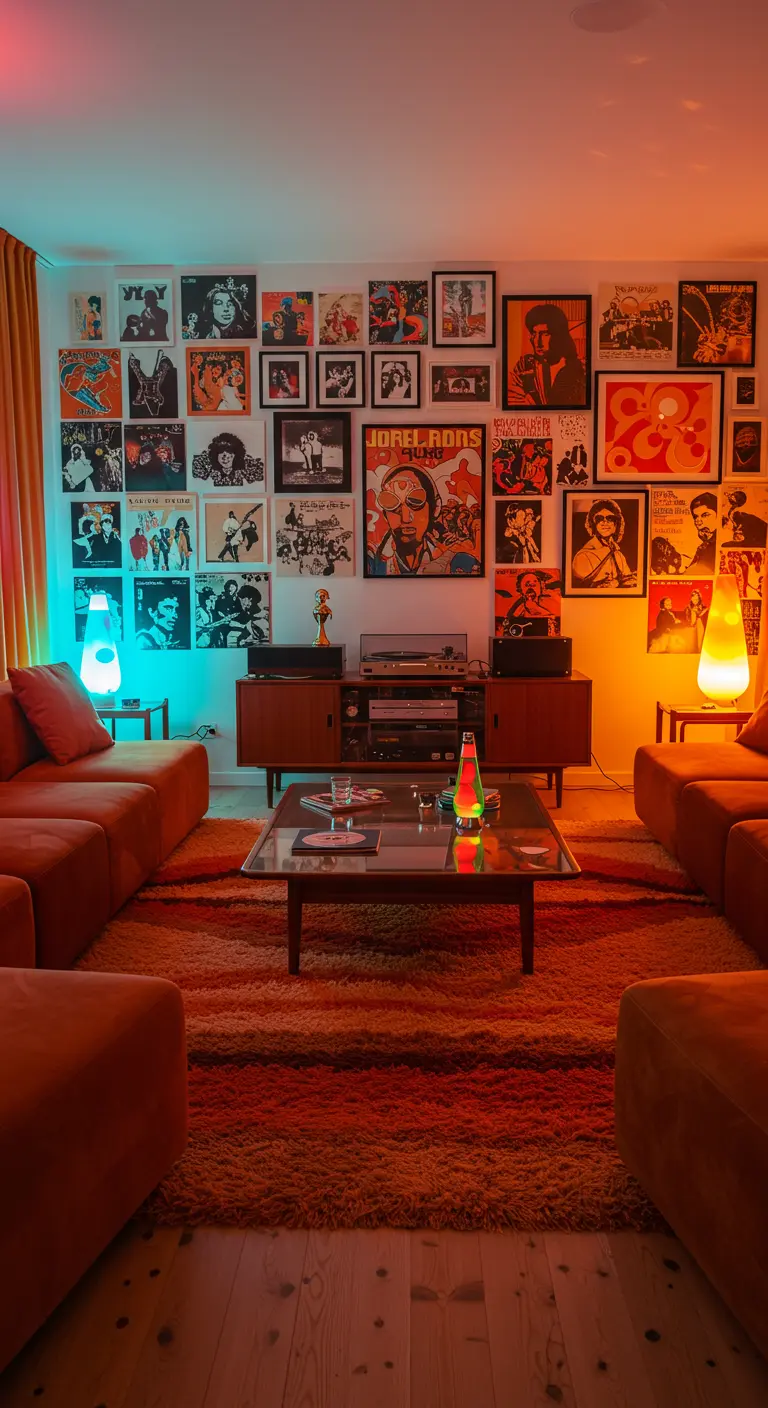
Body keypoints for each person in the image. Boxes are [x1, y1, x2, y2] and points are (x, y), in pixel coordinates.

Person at [367, 463, 479, 576]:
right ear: (385, 514)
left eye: (415, 502)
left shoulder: (457, 561)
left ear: (435, 508)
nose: (405, 519)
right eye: (393, 505)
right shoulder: (371, 561)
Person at [507, 303, 586, 406]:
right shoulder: (525, 365)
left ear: (558, 335)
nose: (537, 341)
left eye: (545, 334)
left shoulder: (579, 368)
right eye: (534, 334)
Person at [571, 499, 637, 589]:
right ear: (593, 524)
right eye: (599, 518)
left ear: (616, 525)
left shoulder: (619, 555)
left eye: (610, 518)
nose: (604, 522)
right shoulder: (583, 556)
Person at [687, 492, 718, 573]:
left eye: (705, 515)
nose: (698, 522)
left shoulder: (720, 545)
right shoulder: (703, 547)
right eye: (695, 517)